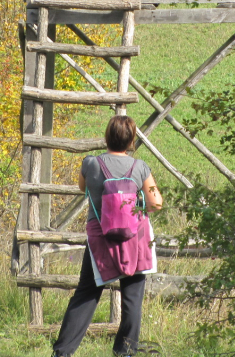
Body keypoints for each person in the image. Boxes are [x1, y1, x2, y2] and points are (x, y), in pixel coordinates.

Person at [51, 116, 163, 357]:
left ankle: (62, 351)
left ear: (106, 136)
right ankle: (125, 352)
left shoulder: (91, 164)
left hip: (100, 238)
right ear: (132, 140)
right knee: (132, 298)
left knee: (86, 294)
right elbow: (156, 202)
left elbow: (83, 188)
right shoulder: (140, 167)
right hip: (135, 241)